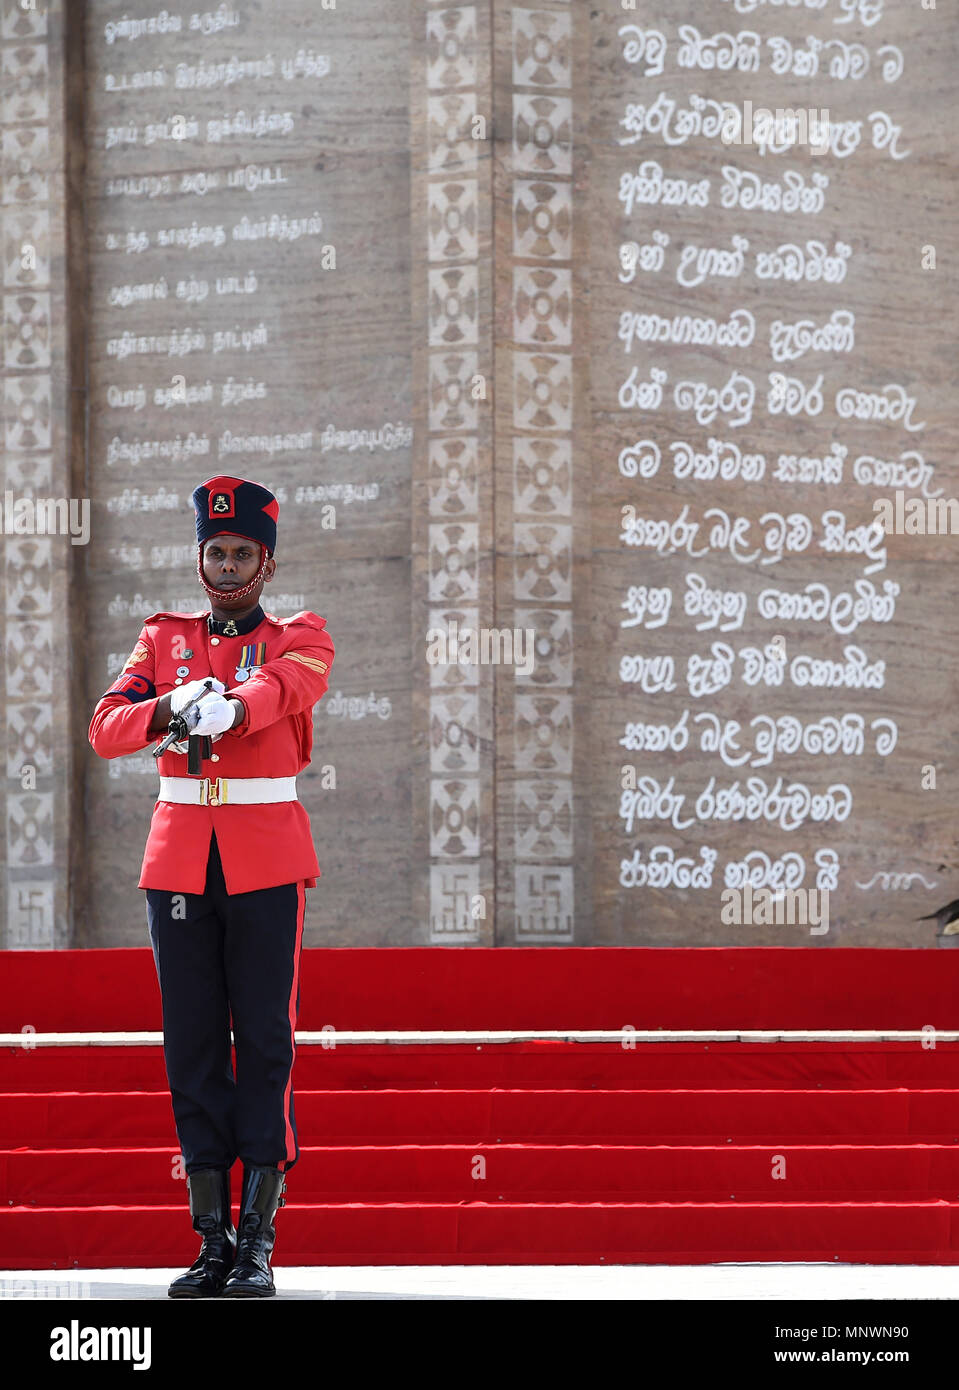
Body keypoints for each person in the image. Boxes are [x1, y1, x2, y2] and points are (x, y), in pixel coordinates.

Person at [88, 474, 335, 1298]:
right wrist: (167, 708)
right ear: (200, 558)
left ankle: (260, 1242)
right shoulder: (162, 638)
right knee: (192, 1044)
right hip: (180, 862)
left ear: (266, 561)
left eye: (242, 553)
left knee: (263, 1041)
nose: (226, 567)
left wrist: (231, 706)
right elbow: (105, 729)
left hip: (265, 861)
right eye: (215, 551)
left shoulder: (301, 633)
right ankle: (211, 1239)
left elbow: (288, 684)